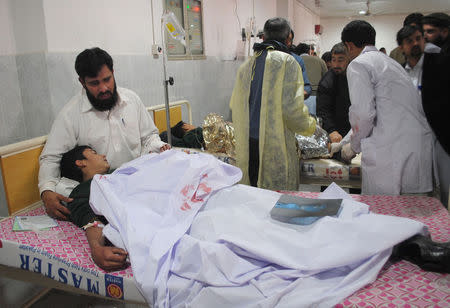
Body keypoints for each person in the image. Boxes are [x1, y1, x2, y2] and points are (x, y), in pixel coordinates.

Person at [61, 145, 450, 279]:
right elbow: (84, 212)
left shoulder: (128, 169)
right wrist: (95, 242)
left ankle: (385, 229)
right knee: (275, 231)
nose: (104, 155)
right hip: (194, 217)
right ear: (81, 162)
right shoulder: (92, 186)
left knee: (282, 206)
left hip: (215, 197)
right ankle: (393, 245)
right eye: (95, 153)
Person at [39, 47, 170, 220]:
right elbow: (51, 158)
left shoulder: (131, 101)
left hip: (139, 185)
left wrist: (160, 147)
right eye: (94, 83)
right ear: (82, 82)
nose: (103, 88)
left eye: (107, 79)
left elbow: (149, 137)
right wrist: (46, 192)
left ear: (113, 73)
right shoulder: (70, 115)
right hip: (104, 197)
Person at [340, 20, 433, 195]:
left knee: (385, 215)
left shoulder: (359, 64)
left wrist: (352, 147)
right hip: (415, 148)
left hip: (390, 154)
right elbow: (381, 110)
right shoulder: (391, 64)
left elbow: (364, 114)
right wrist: (344, 142)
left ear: (349, 45)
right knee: (411, 214)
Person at [229, 17, 316, 190]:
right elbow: (293, 111)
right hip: (275, 142)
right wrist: (311, 127)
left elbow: (236, 106)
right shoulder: (288, 62)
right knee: (276, 195)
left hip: (249, 142)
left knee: (254, 191)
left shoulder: (247, 65)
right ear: (288, 38)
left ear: (263, 37)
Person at [421, 13, 450, 206]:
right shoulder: (438, 54)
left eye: (430, 32)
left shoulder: (441, 58)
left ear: (445, 31)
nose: (426, 37)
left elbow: (435, 97)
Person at [316, 43, 351, 143]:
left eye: (340, 60)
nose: (335, 65)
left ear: (349, 59)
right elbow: (322, 111)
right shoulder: (327, 82)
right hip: (335, 133)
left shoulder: (354, 76)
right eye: (333, 60)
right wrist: (332, 130)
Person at [397, 25, 425, 90]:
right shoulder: (398, 71)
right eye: (409, 41)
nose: (416, 43)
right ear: (401, 48)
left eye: (418, 39)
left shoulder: (437, 66)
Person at [286, 30, 312, 99]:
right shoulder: (266, 58)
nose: (287, 43)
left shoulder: (297, 60)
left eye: (290, 40)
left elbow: (307, 87)